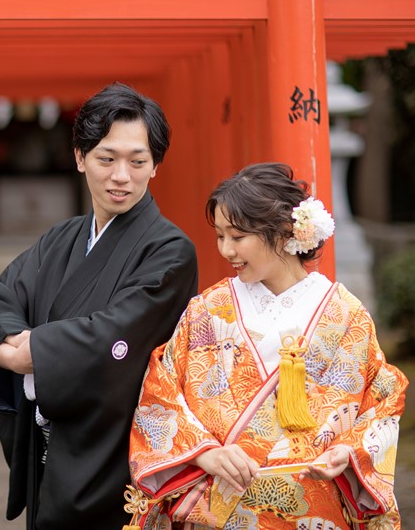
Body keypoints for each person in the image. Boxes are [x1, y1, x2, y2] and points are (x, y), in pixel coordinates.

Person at [126, 162, 408, 530]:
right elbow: (160, 393)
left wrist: (349, 452)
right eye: (220, 236)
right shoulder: (208, 310)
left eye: (238, 236)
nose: (226, 249)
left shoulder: (345, 315)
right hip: (218, 506)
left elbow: (382, 400)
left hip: (313, 507)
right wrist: (206, 454)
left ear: (283, 232)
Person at [0, 82, 198, 530]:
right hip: (49, 447)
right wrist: (12, 353)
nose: (122, 176)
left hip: (116, 454)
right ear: (80, 158)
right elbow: (0, 297)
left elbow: (112, 334)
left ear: (155, 165)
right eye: (106, 159)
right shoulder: (63, 238)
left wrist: (33, 351)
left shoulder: (170, 251)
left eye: (138, 161)